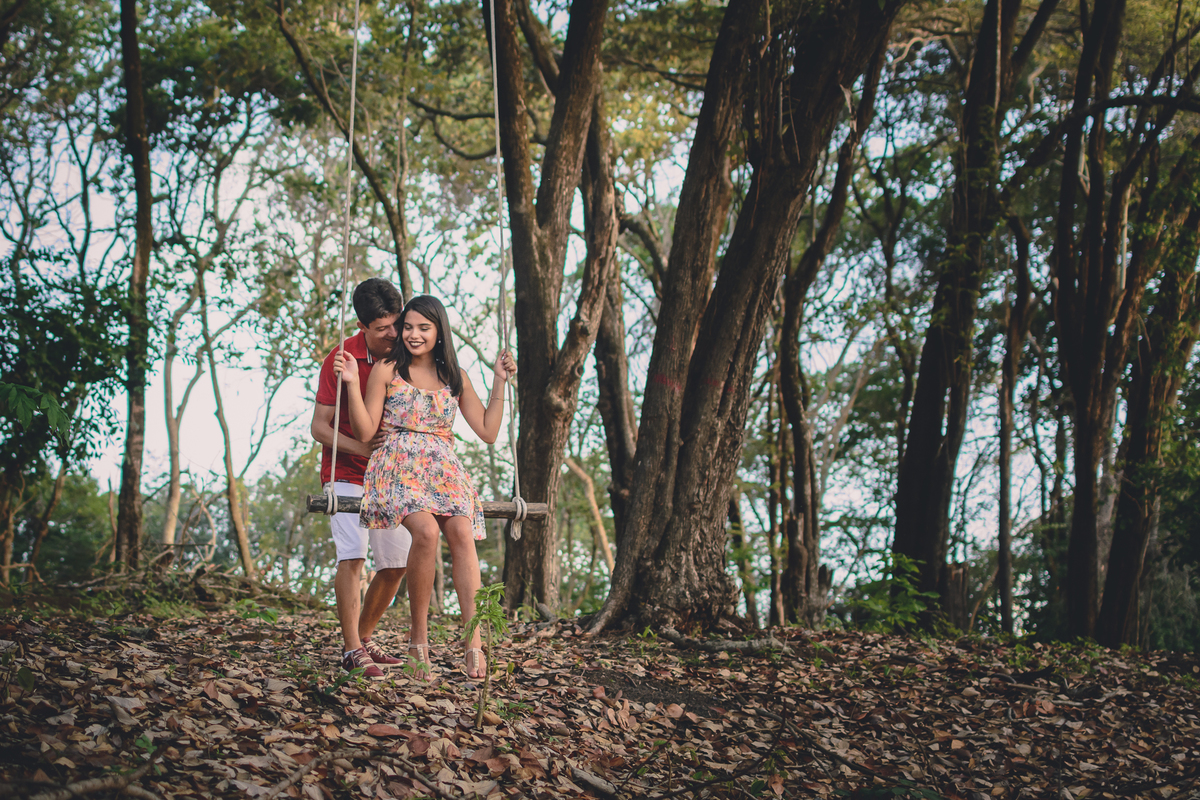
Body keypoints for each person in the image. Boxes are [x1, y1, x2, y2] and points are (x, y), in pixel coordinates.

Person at [334, 294, 514, 680]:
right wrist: (351, 383)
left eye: (424, 328)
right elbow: (365, 431)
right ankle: (419, 641)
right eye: (409, 326)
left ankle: (474, 642)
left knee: (462, 532)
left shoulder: (455, 376)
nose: (413, 335)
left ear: (438, 331)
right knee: (427, 531)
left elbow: (488, 430)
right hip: (396, 462)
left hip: (442, 467)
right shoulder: (388, 368)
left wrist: (500, 381)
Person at [310, 278, 412, 681]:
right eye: (382, 328)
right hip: (347, 472)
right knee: (353, 556)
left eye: (396, 323)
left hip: (394, 475)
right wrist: (361, 448)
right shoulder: (341, 357)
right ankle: (351, 649)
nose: (392, 334)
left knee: (396, 563)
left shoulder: (409, 351)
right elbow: (319, 427)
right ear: (363, 326)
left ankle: (364, 637)